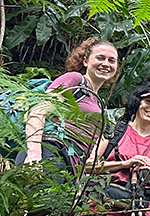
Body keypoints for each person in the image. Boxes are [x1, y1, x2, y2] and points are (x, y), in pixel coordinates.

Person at [21, 38, 120, 184]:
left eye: (112, 60)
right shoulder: (75, 80)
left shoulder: (98, 102)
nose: (106, 64)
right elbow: (38, 111)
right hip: (49, 153)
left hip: (69, 166)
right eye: (100, 58)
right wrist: (34, 155)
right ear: (85, 61)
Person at [92, 83, 150, 216]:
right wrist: (125, 164)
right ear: (137, 103)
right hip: (104, 202)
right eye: (149, 102)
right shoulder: (114, 130)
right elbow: (88, 166)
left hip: (141, 209)